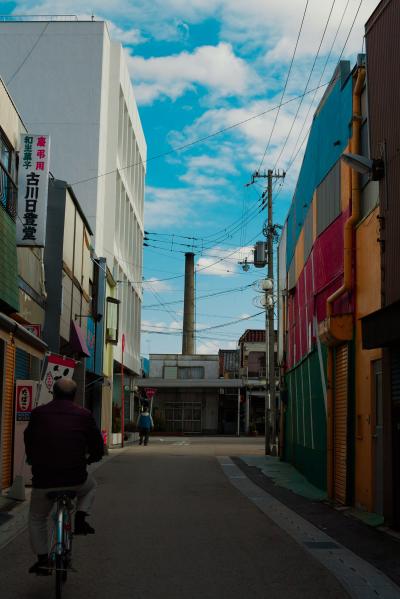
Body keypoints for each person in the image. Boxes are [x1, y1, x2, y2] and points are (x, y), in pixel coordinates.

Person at [24, 378, 104, 575]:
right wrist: (92, 457)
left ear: (53, 393)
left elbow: (28, 439)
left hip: (44, 479)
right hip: (75, 478)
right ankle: (81, 518)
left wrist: (33, 459)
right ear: (74, 396)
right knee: (91, 486)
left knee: (36, 518)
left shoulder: (38, 413)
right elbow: (97, 445)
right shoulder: (84, 414)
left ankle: (42, 559)